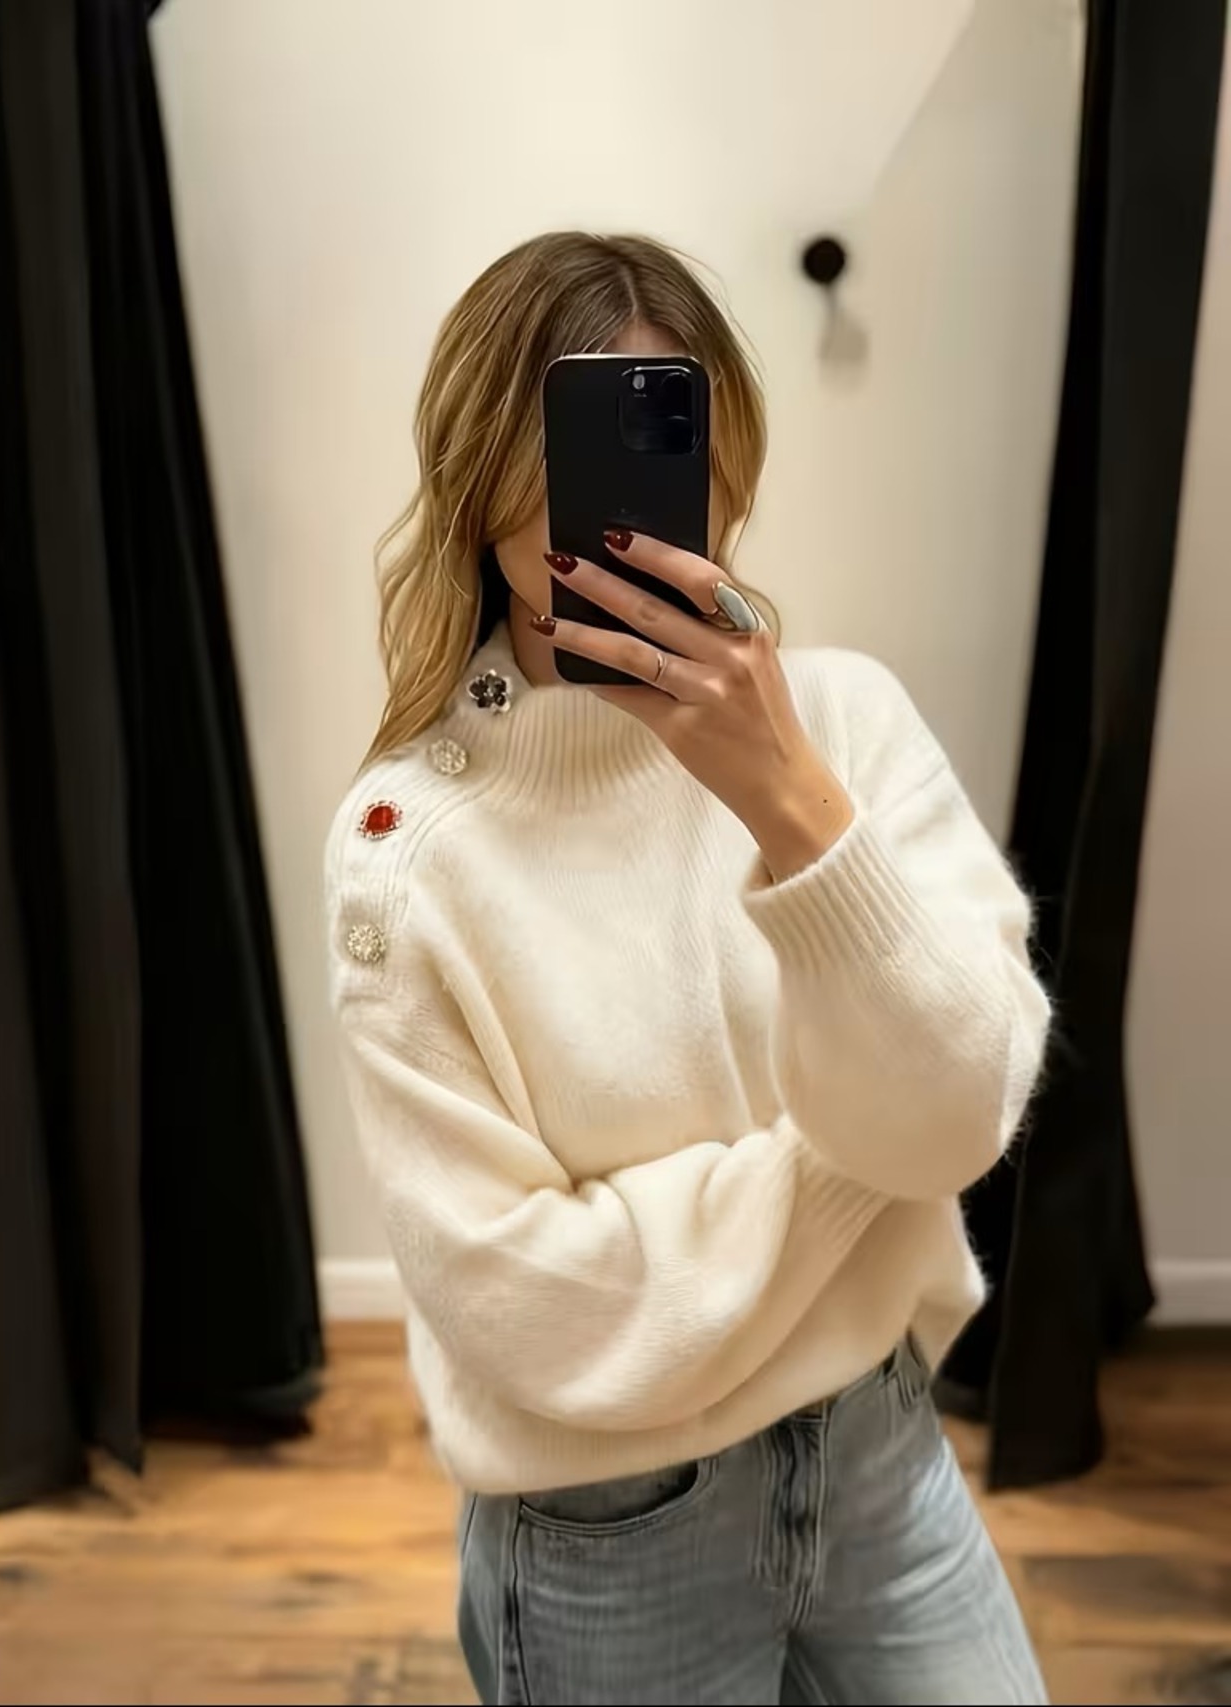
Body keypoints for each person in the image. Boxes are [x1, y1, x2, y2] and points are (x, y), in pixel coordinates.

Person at [326, 232, 1050, 1707]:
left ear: (729, 467)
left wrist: (792, 810)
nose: (613, 516)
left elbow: (960, 1120)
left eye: (664, 443)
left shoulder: (846, 730)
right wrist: (849, 1169)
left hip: (882, 1454)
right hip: (607, 1530)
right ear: (478, 488)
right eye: (564, 455)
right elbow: (525, 1301)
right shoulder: (408, 850)